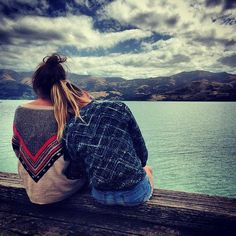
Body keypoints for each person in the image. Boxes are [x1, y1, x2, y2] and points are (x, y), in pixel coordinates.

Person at [11, 53, 92, 204]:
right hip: (63, 189)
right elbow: (82, 157)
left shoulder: (20, 110)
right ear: (63, 84)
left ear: (35, 83)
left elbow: (16, 148)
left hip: (31, 188)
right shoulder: (70, 113)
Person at [63, 95, 154, 205]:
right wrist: (142, 164)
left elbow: (77, 169)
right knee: (148, 169)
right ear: (85, 94)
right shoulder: (116, 107)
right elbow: (141, 151)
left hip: (101, 197)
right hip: (134, 196)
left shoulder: (70, 126)